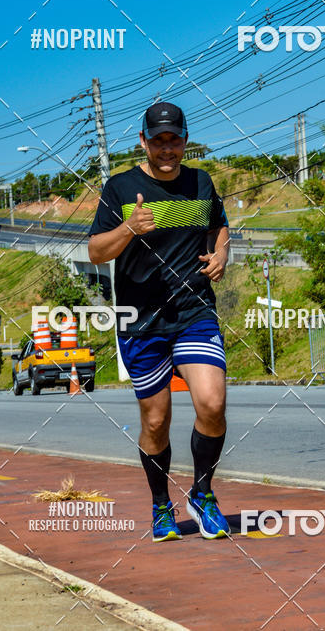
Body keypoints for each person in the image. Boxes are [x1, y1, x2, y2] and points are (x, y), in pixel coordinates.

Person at [88, 102, 231, 542]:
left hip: (193, 314)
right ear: (143, 142)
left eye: (175, 139)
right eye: (158, 140)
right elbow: (96, 252)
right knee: (156, 422)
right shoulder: (120, 188)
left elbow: (219, 226)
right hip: (141, 321)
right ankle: (160, 507)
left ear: (185, 141)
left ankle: (203, 495)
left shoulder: (199, 183)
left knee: (211, 402)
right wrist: (129, 227)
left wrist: (222, 252)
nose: (167, 148)